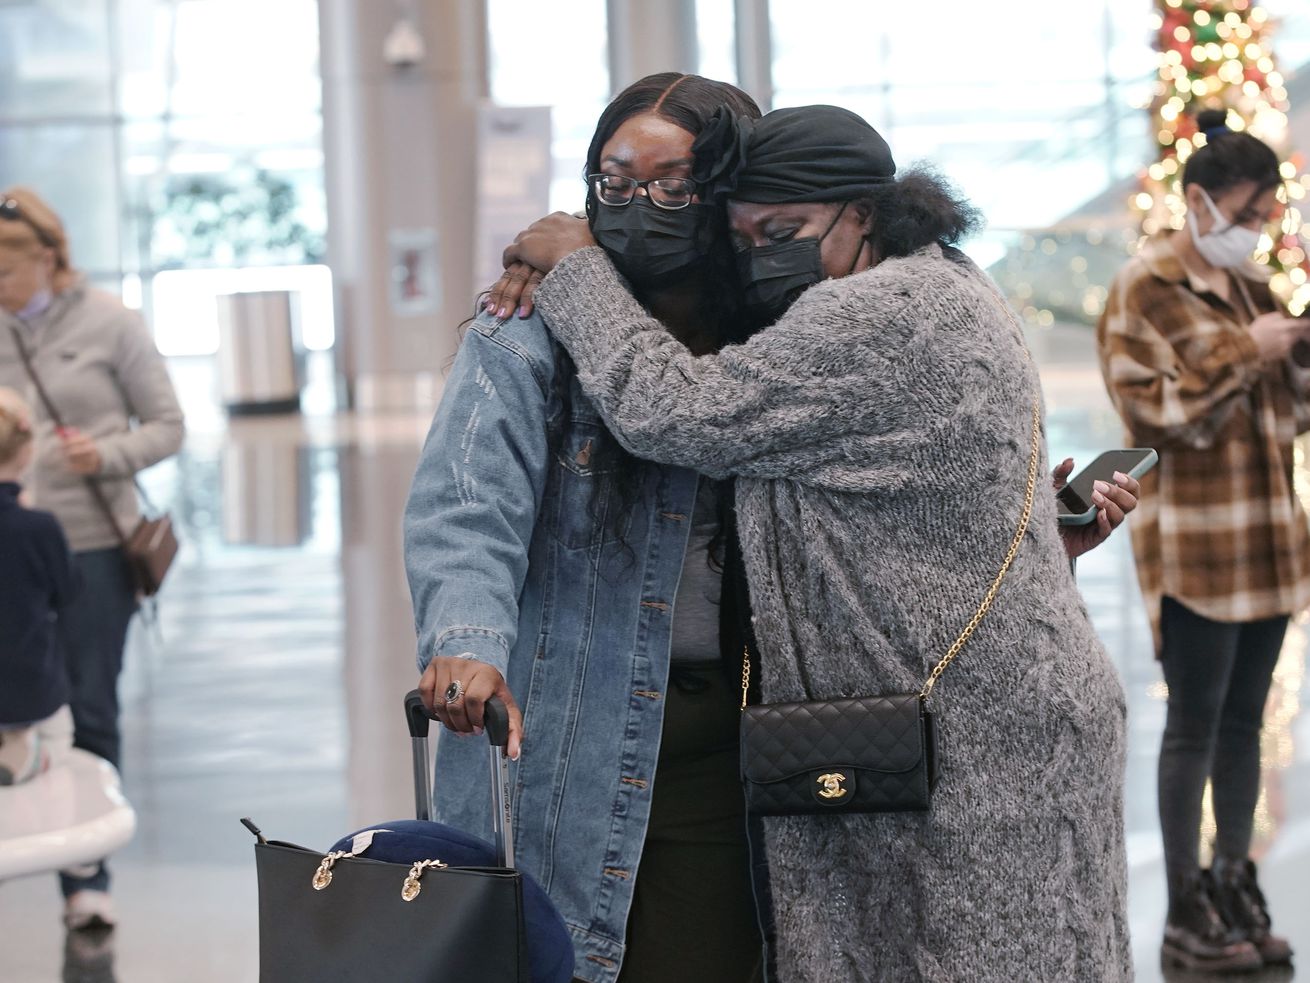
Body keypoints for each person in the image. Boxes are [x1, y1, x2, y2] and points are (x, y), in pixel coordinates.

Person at [501, 104, 1135, 981]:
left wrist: (577, 269)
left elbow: (675, 411)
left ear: (865, 212)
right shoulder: (948, 276)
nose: (765, 255)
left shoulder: (882, 313)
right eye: (746, 236)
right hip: (993, 714)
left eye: (787, 231)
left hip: (973, 748)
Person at [404, 73, 770, 983]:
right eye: (615, 182)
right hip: (563, 728)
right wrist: (466, 640)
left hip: (736, 747)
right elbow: (466, 505)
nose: (641, 206)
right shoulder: (523, 330)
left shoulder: (777, 337)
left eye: (674, 185)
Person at [1097, 107, 1305, 973]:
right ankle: (1185, 904)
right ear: (1199, 201)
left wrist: (1291, 362)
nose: (1253, 233)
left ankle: (1230, 883)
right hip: (1194, 550)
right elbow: (1157, 414)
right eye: (1245, 214)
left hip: (1267, 545)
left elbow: (1285, 421)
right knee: (1193, 725)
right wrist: (1247, 354)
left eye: (1264, 218)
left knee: (1244, 725)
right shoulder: (1143, 288)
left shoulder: (1256, 292)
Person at [0, 187, 185, 928]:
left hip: (94, 550)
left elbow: (169, 425)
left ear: (48, 258)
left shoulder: (112, 323)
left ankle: (85, 877)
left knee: (89, 699)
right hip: (9, 548)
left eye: (8, 272)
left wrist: (104, 454)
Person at [0, 386, 76, 786]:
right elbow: (67, 592)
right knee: (58, 741)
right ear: (26, 452)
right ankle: (38, 759)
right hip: (31, 690)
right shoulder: (38, 528)